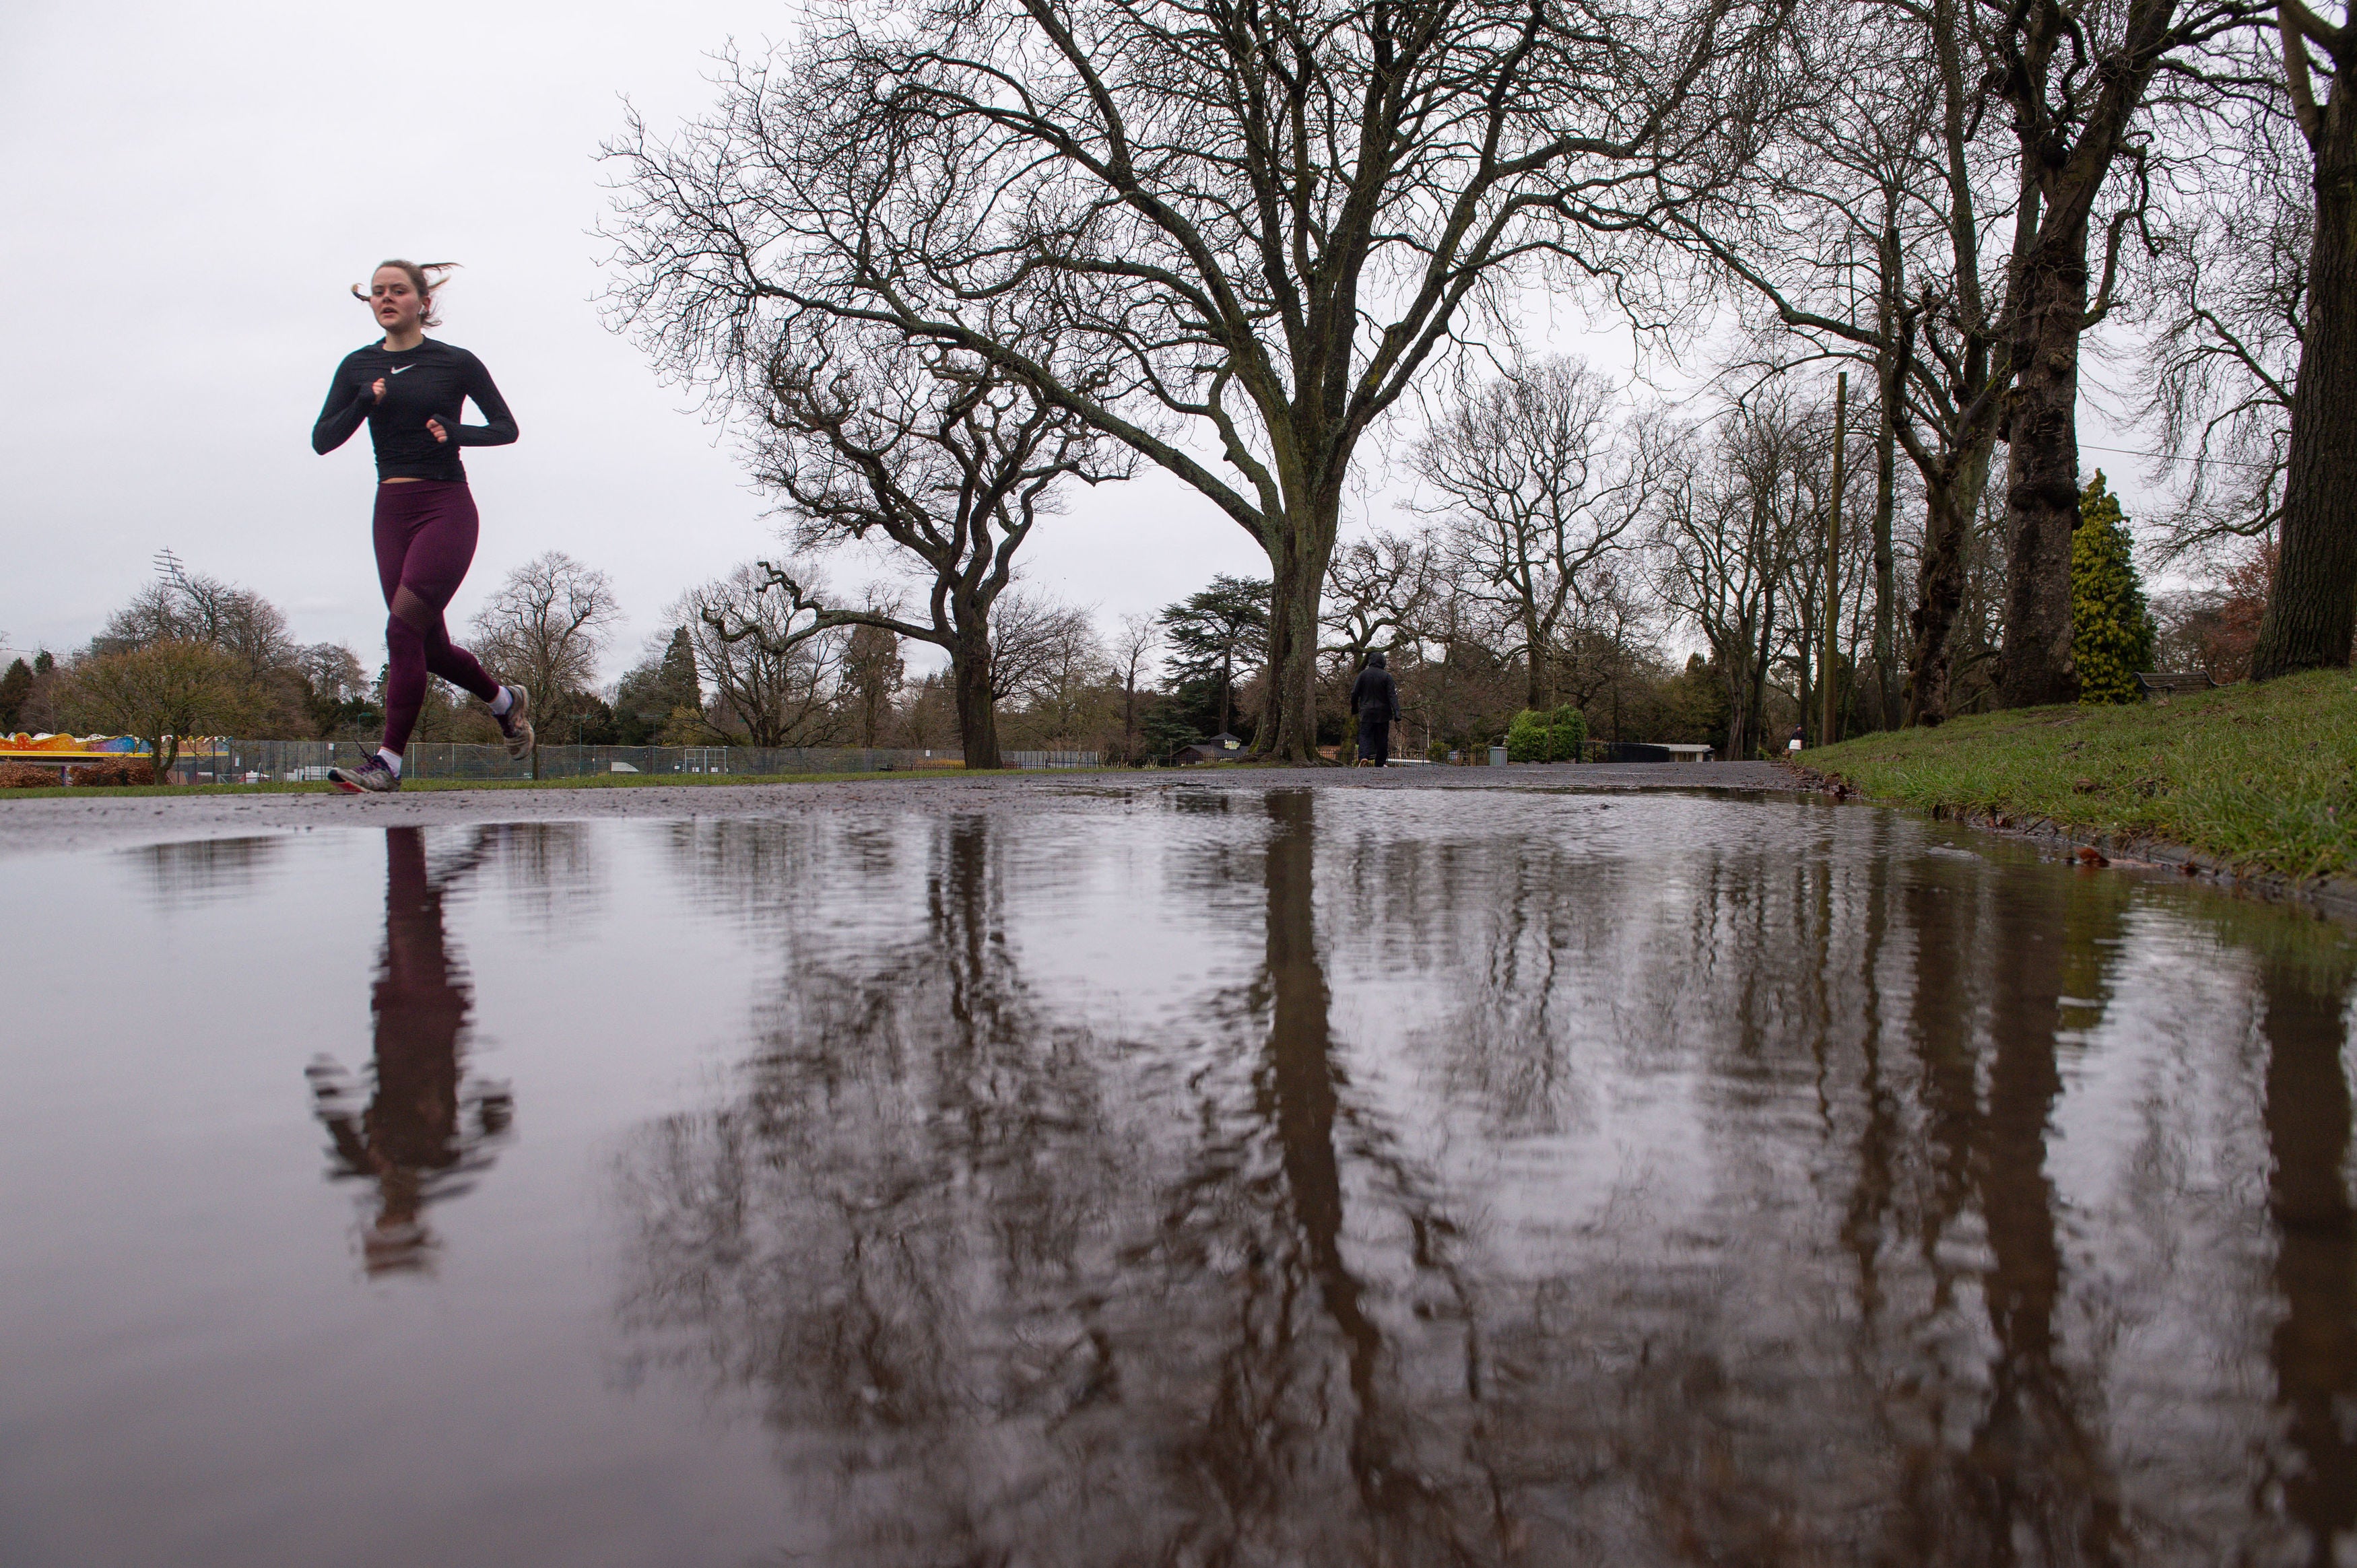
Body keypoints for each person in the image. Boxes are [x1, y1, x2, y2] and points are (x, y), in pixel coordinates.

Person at [312, 260, 533, 793]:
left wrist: (458, 432)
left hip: (446, 508)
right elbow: (322, 439)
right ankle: (505, 702)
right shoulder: (357, 367)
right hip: (390, 511)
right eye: (377, 292)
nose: (385, 298)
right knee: (428, 648)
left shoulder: (454, 363)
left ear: (422, 302)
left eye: (398, 291)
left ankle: (388, 763)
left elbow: (507, 428)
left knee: (400, 628)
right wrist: (364, 402)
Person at [1350, 650, 1400, 768]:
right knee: (1382, 738)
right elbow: (1392, 695)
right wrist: (1397, 711)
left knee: (1365, 736)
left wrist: (1354, 708)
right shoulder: (1387, 676)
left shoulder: (1363, 675)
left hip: (1367, 711)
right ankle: (1380, 762)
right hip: (1383, 713)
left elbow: (1354, 693)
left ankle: (1364, 757)